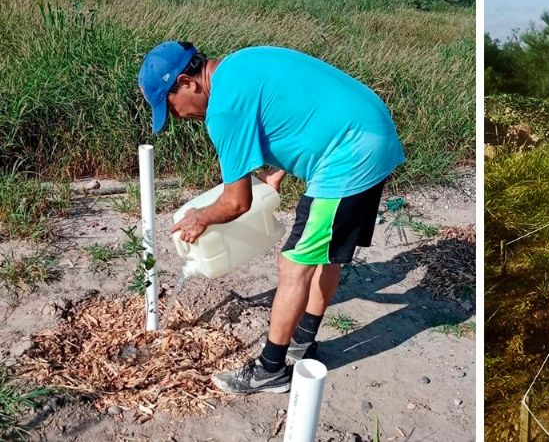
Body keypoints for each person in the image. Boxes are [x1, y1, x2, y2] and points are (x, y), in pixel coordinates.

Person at [138, 41, 405, 393]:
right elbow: (295, 109)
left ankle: (270, 370)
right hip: (372, 131)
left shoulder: (223, 110)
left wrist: (200, 217)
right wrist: (278, 170)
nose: (177, 118)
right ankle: (302, 342)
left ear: (187, 82)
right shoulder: (239, 64)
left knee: (293, 264)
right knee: (324, 252)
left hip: (350, 154)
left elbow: (236, 203)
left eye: (170, 107)